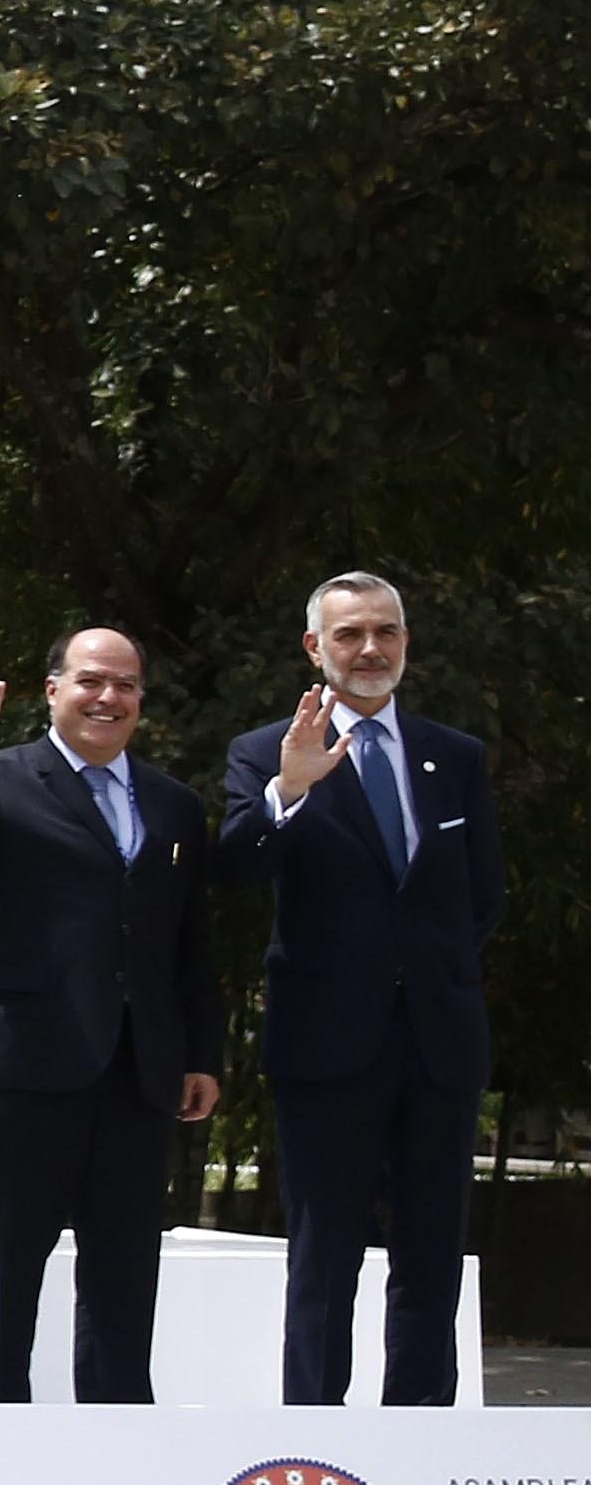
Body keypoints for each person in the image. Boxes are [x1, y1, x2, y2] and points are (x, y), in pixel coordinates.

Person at [0, 630, 220, 1404]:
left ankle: (114, 1448)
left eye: (127, 685)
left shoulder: (172, 804)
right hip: (20, 1072)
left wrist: (201, 1054)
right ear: (52, 690)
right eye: (91, 681)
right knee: (6, 1280)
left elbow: (187, 940)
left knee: (122, 1283)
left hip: (136, 1075)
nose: (109, 698)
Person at [220, 572, 505, 1407]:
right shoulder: (264, 751)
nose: (370, 648)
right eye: (349, 634)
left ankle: (421, 1437)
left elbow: (480, 896)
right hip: (326, 1046)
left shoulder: (454, 756)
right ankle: (316, 1436)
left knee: (430, 1258)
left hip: (437, 1043)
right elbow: (237, 869)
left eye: (386, 631)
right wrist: (292, 788)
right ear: (315, 648)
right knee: (324, 1260)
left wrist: (425, 977)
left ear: (406, 644)